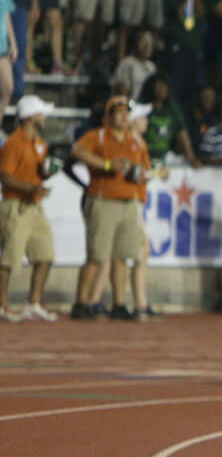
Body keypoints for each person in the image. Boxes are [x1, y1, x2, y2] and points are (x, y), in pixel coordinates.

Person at [69, 96, 152, 321]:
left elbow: (145, 170)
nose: (125, 116)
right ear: (109, 115)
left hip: (128, 201)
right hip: (103, 200)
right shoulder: (98, 136)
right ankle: (81, 302)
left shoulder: (134, 141)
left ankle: (119, 303)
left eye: (128, 112)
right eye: (120, 112)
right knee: (97, 256)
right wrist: (106, 164)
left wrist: (142, 175)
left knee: (121, 257)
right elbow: (77, 151)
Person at [0, 95, 58, 322]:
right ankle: (2, 304)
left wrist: (46, 173)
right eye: (41, 113)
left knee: (45, 255)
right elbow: (4, 177)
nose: (44, 117)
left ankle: (33, 303)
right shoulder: (14, 143)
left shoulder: (39, 143)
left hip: (34, 206)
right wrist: (33, 187)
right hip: (16, 205)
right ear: (31, 117)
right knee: (8, 259)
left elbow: (35, 173)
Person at [163, 0, 207, 106]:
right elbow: (178, 13)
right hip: (177, 44)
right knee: (176, 87)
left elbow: (201, 14)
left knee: (190, 89)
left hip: (193, 45)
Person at [139, 72, 201, 167]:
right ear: (151, 87)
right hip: (142, 156)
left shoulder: (172, 109)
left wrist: (192, 158)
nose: (162, 90)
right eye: (159, 86)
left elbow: (182, 134)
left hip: (164, 158)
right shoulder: (142, 106)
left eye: (165, 86)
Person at [112, 28, 156, 100]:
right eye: (143, 42)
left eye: (149, 43)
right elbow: (122, 91)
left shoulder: (152, 66)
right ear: (135, 44)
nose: (147, 46)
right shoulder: (127, 63)